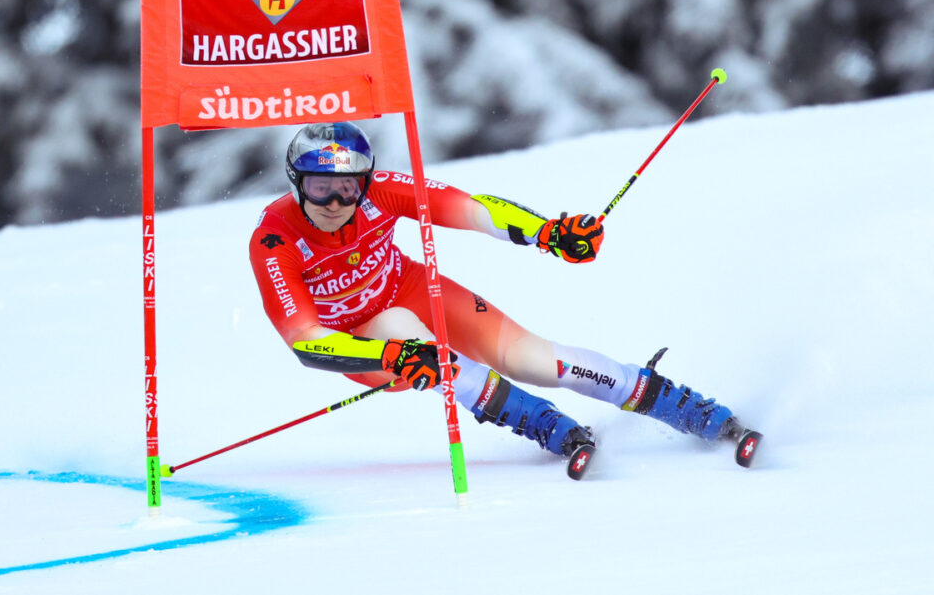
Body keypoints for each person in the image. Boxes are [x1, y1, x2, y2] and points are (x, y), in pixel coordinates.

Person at [250, 121, 746, 463]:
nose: (337, 202)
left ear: (366, 181)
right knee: (415, 341)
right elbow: (305, 340)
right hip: (361, 342)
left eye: (349, 188)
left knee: (532, 359)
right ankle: (541, 422)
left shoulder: (382, 191)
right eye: (320, 188)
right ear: (297, 183)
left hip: (412, 286)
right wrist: (390, 355)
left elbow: (470, 209)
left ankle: (677, 404)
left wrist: (547, 232)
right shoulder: (274, 240)